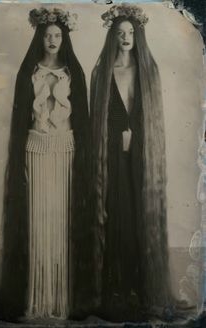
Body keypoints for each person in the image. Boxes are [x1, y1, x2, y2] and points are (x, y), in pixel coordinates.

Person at [0, 7, 90, 322]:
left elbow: (83, 122)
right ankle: (35, 299)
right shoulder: (28, 74)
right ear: (39, 37)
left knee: (62, 223)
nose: (52, 39)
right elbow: (21, 121)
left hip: (65, 154)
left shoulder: (74, 74)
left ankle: (61, 300)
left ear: (64, 38)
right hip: (35, 153)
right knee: (37, 225)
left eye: (57, 35)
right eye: (47, 34)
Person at [90, 4, 173, 322]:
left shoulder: (148, 71)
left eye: (131, 33)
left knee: (142, 218)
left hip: (142, 161)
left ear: (139, 36)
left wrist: (134, 140)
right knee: (115, 218)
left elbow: (152, 121)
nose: (126, 37)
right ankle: (114, 290)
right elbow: (98, 121)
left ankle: (141, 290)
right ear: (113, 36)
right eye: (120, 33)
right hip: (110, 160)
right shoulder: (102, 73)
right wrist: (117, 139)